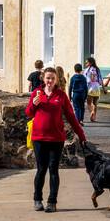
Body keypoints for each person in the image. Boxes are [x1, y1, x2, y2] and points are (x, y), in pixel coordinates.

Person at [25, 66, 87, 212]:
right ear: (43, 78)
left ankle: (52, 202)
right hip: (39, 138)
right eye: (47, 78)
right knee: (41, 169)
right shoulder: (37, 93)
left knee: (53, 170)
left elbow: (71, 117)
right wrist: (34, 104)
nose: (50, 81)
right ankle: (37, 199)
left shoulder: (61, 95)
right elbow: (28, 113)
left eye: (52, 78)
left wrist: (82, 135)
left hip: (56, 139)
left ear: (56, 80)